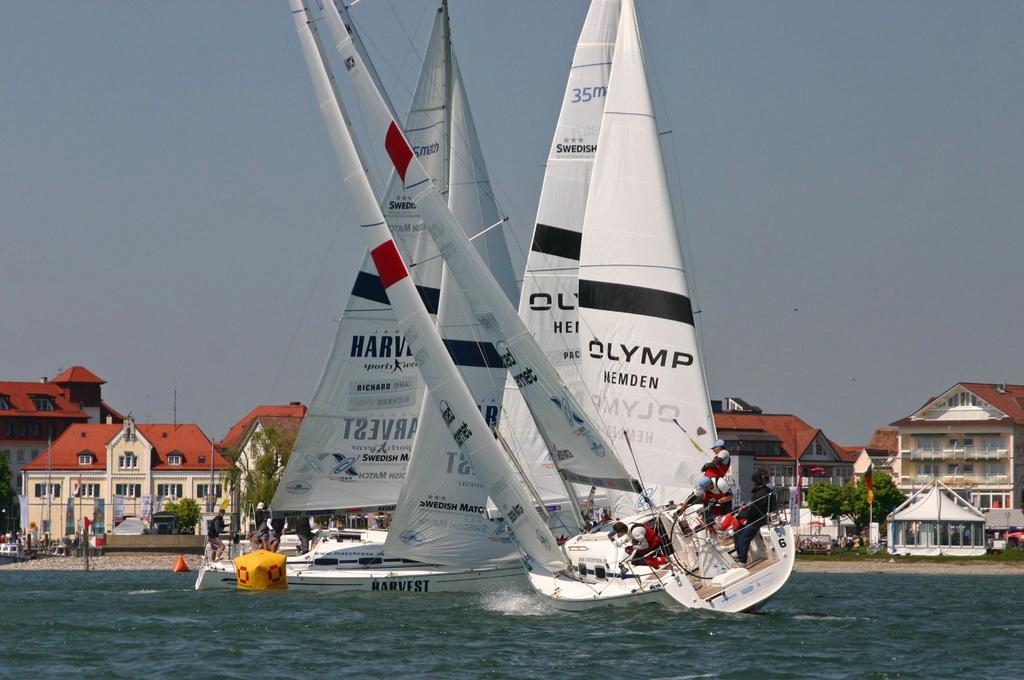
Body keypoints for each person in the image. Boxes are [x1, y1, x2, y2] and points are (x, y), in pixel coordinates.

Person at [733, 469, 779, 564]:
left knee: (743, 539)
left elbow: (754, 509)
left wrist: (740, 516)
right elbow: (753, 506)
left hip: (758, 519)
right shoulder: (763, 490)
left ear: (755, 482)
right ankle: (740, 556)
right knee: (737, 532)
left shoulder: (763, 491)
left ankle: (742, 561)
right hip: (755, 518)